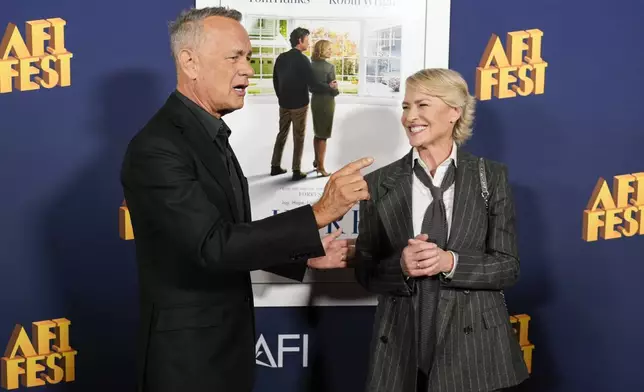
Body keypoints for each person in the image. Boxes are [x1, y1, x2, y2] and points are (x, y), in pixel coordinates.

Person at [120, 7, 372, 392]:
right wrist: (319, 212)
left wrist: (304, 253)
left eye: (249, 58)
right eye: (234, 57)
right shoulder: (158, 148)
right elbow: (213, 246)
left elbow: (231, 234)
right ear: (190, 62)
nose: (248, 70)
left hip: (226, 354)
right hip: (187, 365)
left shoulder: (208, 132)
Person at [353, 68, 528, 392]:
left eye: (422, 105)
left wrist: (451, 262)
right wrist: (400, 267)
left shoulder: (490, 177)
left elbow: (508, 267)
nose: (410, 117)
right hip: (401, 355)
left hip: (475, 356)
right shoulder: (379, 183)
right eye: (406, 107)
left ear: (453, 113)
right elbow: (366, 271)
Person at [270, 27, 338, 180]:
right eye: (307, 40)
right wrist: (330, 87)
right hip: (300, 104)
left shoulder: (281, 57)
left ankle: (275, 166)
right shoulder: (302, 59)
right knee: (298, 136)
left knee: (282, 134)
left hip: (284, 103)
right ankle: (296, 170)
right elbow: (312, 83)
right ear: (300, 40)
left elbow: (275, 80)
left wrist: (280, 97)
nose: (309, 43)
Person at [310, 39, 339, 177]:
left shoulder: (310, 65)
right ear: (321, 50)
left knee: (318, 132)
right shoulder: (329, 67)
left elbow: (311, 87)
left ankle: (317, 160)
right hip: (327, 102)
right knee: (323, 135)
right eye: (328, 49)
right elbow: (333, 89)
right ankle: (321, 167)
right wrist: (334, 89)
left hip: (315, 101)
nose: (330, 51)